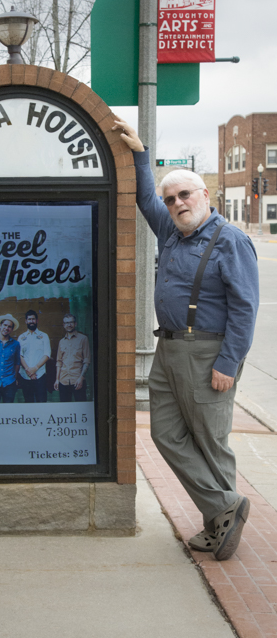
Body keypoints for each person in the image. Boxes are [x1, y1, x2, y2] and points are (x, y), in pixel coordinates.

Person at [112, 116, 259, 561]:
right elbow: (142, 196)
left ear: (205, 196)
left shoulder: (230, 241)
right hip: (169, 349)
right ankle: (226, 508)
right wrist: (139, 153)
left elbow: (245, 308)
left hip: (208, 352)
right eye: (171, 198)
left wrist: (228, 365)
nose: (177, 203)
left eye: (185, 195)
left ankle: (220, 527)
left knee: (210, 443)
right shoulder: (172, 233)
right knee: (166, 434)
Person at [54, 314, 90, 402]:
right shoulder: (61, 342)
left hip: (77, 380)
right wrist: (57, 380)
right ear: (63, 325)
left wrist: (81, 378)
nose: (69, 325)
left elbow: (87, 360)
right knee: (65, 409)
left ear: (75, 324)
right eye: (66, 323)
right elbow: (59, 362)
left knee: (80, 407)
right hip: (63, 381)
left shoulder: (83, 339)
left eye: (71, 322)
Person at [18, 310, 51, 403]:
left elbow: (47, 355)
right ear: (26, 321)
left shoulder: (44, 336)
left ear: (37, 320)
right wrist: (28, 370)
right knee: (28, 403)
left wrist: (35, 369)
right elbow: (19, 355)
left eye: (33, 319)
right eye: (29, 319)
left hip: (39, 376)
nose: (31, 321)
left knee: (41, 402)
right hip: (25, 376)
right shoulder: (21, 337)